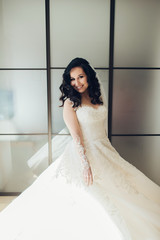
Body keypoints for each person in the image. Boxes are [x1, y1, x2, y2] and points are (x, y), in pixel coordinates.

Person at [0, 58, 160, 240]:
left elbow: (101, 129)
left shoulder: (96, 97)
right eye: (72, 79)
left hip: (104, 148)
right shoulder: (70, 103)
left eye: (81, 77)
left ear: (89, 76)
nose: (77, 83)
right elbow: (77, 137)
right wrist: (85, 164)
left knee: (125, 187)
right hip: (82, 153)